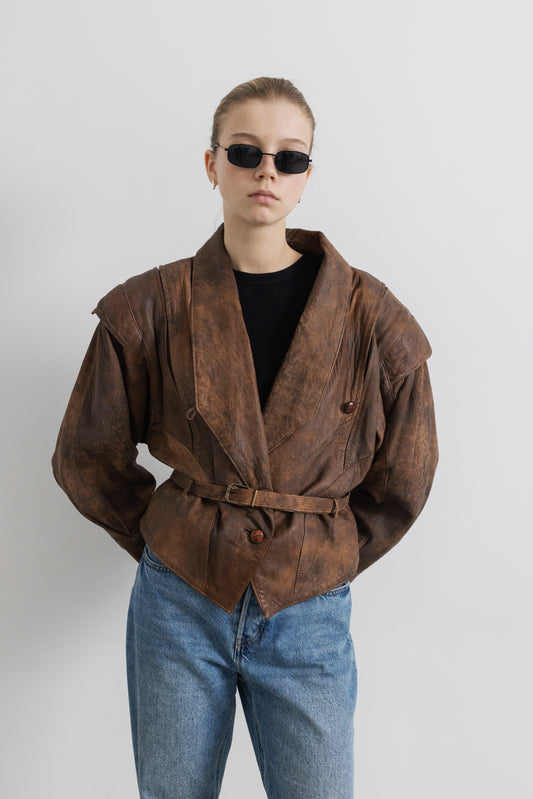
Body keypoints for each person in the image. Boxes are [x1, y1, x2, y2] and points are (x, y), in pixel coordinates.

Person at [52, 76, 438, 799]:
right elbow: (85, 454)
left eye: (289, 157)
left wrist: (323, 551)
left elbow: (405, 479)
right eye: (245, 151)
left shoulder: (373, 318)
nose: (267, 170)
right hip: (178, 600)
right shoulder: (149, 305)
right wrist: (170, 536)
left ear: (307, 175)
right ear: (212, 164)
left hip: (309, 604)